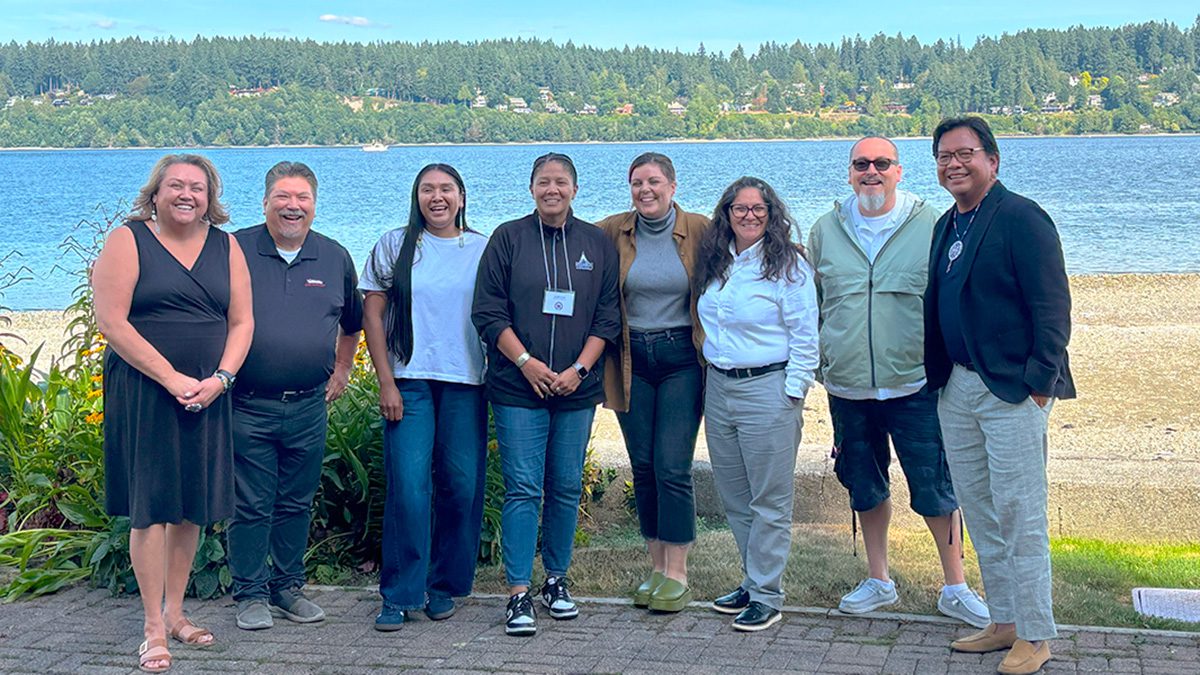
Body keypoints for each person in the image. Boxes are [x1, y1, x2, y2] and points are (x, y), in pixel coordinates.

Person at [806, 136, 989, 628]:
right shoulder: (825, 229)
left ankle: (956, 587)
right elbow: (813, 304)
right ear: (849, 173)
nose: (871, 171)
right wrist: (821, 365)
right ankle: (878, 579)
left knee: (935, 486)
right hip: (847, 387)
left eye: (881, 163)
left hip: (916, 384)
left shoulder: (931, 224)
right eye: (861, 164)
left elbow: (951, 299)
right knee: (864, 485)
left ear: (899, 171)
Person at [925, 116, 1074, 675]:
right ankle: (1005, 620)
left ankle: (1036, 635)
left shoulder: (1021, 217)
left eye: (965, 153)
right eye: (943, 156)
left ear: (993, 160)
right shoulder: (948, 224)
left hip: (1012, 390)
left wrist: (1038, 385)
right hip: (957, 386)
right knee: (982, 512)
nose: (953, 164)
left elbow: (1052, 309)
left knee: (1020, 513)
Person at [93, 154, 253, 673]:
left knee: (190, 504)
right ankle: (152, 628)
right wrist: (172, 378)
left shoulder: (226, 246)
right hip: (145, 390)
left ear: (211, 197)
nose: (187, 194)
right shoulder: (128, 240)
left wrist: (221, 380)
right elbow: (112, 323)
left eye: (198, 188)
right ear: (155, 194)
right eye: (176, 186)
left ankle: (178, 612)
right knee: (152, 504)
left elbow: (242, 322)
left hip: (208, 389)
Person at [472, 152, 620, 637]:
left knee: (565, 486)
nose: (552, 189)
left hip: (577, 388)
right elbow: (489, 312)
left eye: (560, 182)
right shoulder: (507, 239)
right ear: (531, 188)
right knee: (523, 488)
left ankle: (556, 580)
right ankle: (518, 592)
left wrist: (579, 368)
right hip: (518, 387)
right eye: (543, 182)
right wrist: (526, 363)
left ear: (575, 190)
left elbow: (606, 316)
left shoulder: (596, 243)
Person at [227, 162, 363, 631]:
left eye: (302, 198)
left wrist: (343, 368)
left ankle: (287, 588)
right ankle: (249, 594)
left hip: (308, 406)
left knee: (296, 501)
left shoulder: (334, 256)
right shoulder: (234, 249)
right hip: (246, 403)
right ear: (265, 202)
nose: (293, 206)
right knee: (250, 503)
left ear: (314, 204)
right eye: (283, 197)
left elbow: (352, 325)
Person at [360, 164, 489, 631]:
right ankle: (398, 593)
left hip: (466, 382)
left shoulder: (480, 248)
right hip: (409, 381)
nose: (437, 198)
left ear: (461, 195)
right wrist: (386, 381)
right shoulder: (395, 245)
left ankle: (442, 585)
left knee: (463, 486)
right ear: (416, 197)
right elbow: (372, 315)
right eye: (427, 190)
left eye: (446, 189)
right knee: (410, 488)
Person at [696, 176, 818, 632]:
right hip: (720, 388)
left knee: (770, 499)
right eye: (740, 208)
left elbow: (807, 335)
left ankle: (767, 594)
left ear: (772, 214)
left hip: (767, 388)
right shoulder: (717, 262)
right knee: (736, 496)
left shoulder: (788, 266)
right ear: (726, 213)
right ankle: (752, 580)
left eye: (758, 209)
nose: (749, 216)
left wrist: (794, 390)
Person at [595, 152, 708, 613]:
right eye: (637, 183)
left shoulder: (700, 229)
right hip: (630, 357)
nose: (646, 190)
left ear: (673, 186)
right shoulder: (611, 230)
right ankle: (657, 567)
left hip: (682, 356)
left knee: (671, 464)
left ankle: (678, 574)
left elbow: (747, 255)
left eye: (655, 182)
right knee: (642, 464)